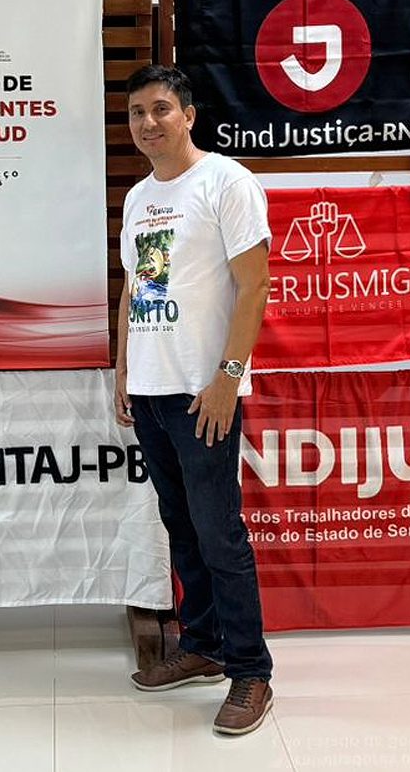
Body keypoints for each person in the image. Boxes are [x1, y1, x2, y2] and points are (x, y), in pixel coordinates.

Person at [115, 64, 274, 736]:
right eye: (136, 113)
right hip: (152, 390)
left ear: (188, 115)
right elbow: (138, 286)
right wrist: (124, 369)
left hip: (202, 390)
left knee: (219, 532)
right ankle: (204, 644)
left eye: (160, 109)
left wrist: (227, 379)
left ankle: (251, 670)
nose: (148, 123)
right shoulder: (139, 198)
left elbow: (255, 285)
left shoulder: (226, 183)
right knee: (181, 527)